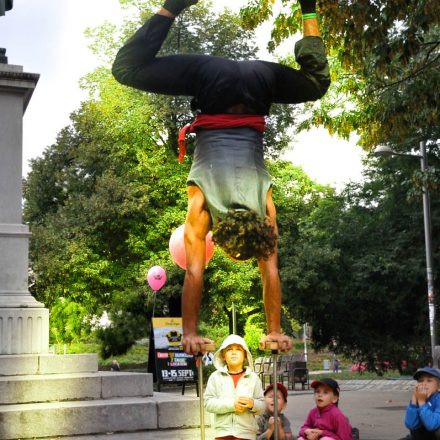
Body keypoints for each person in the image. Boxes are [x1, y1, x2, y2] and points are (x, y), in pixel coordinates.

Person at [112, 0, 330, 355]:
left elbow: (270, 271)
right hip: (210, 83)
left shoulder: (264, 205)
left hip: (259, 81)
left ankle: (308, 8)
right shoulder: (202, 207)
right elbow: (194, 273)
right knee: (126, 69)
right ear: (225, 239)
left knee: (316, 83)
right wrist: (190, 333)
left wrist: (276, 330)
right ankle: (172, 7)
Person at [204, 334, 265, 439]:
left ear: (245, 355)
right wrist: (232, 405)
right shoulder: (215, 377)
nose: (233, 352)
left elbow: (262, 407)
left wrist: (252, 404)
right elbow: (208, 403)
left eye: (238, 349)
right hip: (222, 434)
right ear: (223, 355)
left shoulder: (253, 378)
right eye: (229, 349)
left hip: (246, 434)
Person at [404, 366, 440, 440]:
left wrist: (422, 403)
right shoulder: (419, 398)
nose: (424, 384)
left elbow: (432, 425)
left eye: (429, 380)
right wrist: (414, 401)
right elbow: (411, 425)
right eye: (420, 381)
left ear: (438, 387)